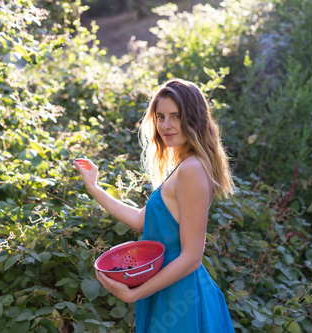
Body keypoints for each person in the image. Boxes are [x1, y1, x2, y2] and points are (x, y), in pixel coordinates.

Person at [74, 78, 235, 332]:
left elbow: (192, 258)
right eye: (160, 116)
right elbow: (140, 219)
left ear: (193, 119)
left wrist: (133, 295)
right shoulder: (184, 167)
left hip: (181, 298)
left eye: (175, 116)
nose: (166, 125)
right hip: (167, 289)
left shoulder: (191, 169)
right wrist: (94, 187)